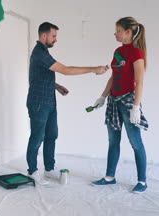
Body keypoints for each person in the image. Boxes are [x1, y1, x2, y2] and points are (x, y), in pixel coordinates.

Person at [26, 22, 108, 184]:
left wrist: (56, 86)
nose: (56, 40)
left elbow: (38, 75)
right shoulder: (39, 53)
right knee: (37, 137)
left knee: (52, 136)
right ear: (44, 36)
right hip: (39, 104)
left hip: (50, 102)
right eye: (54, 36)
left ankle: (49, 169)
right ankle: (32, 171)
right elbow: (65, 69)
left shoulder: (44, 53)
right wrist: (93, 69)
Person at [91, 17, 149, 193]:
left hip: (128, 102)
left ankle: (142, 181)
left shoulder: (137, 53)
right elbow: (113, 77)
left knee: (135, 142)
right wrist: (102, 97)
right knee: (113, 141)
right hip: (113, 102)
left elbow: (139, 82)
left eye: (118, 30)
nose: (115, 33)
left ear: (128, 32)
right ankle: (110, 177)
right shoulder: (117, 51)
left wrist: (136, 107)